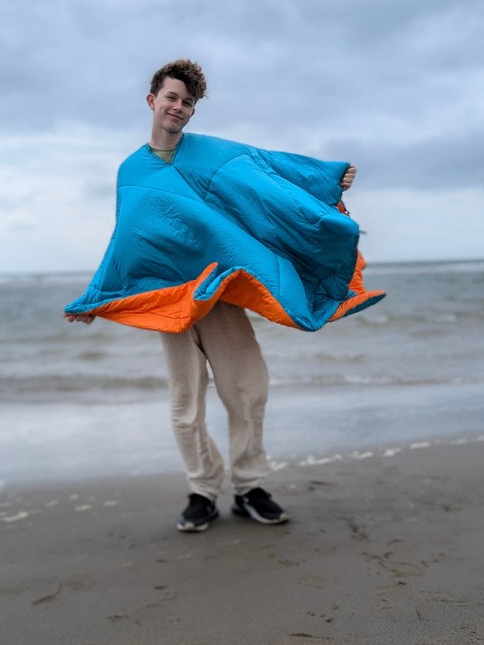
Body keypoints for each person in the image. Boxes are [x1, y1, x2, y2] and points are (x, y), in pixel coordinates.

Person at [66, 59, 359, 533]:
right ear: (152, 101)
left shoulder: (210, 154)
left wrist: (323, 179)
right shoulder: (130, 170)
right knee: (186, 406)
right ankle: (202, 490)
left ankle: (248, 487)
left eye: (187, 102)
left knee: (248, 389)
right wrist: (96, 299)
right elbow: (127, 239)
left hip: (219, 292)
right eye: (172, 98)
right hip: (171, 299)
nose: (178, 108)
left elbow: (268, 172)